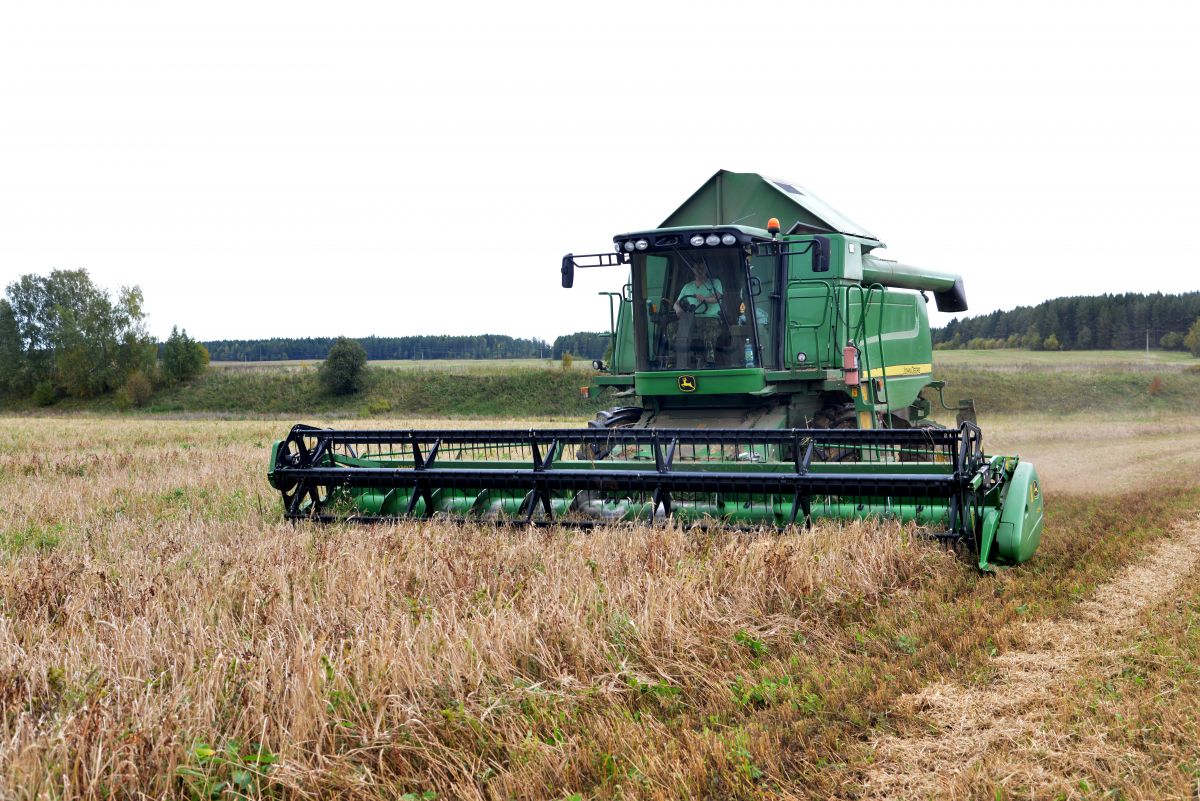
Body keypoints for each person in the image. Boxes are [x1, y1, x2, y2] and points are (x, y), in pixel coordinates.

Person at [668, 259, 725, 367]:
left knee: (709, 327)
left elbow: (717, 297)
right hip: (691, 318)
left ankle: (710, 361)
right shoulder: (687, 286)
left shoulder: (715, 283)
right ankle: (673, 357)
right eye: (697, 268)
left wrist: (705, 299)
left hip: (710, 317)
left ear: (706, 269)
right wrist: (678, 310)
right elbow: (676, 303)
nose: (699, 270)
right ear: (693, 270)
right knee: (672, 326)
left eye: (702, 268)